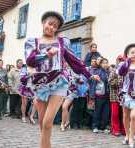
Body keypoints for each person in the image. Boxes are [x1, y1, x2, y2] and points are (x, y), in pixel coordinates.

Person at [22, 11, 99, 148]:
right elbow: (30, 60)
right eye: (50, 24)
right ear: (43, 23)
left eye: (55, 26)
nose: (52, 28)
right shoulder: (31, 42)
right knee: (42, 125)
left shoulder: (62, 42)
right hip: (40, 84)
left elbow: (75, 61)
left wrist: (89, 75)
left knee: (47, 122)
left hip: (59, 83)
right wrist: (47, 55)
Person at [118, 44, 135, 148]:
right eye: (132, 52)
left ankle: (132, 138)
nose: (134, 54)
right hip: (126, 94)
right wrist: (127, 62)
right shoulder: (123, 65)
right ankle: (127, 136)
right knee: (125, 116)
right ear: (127, 54)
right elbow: (121, 73)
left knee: (134, 116)